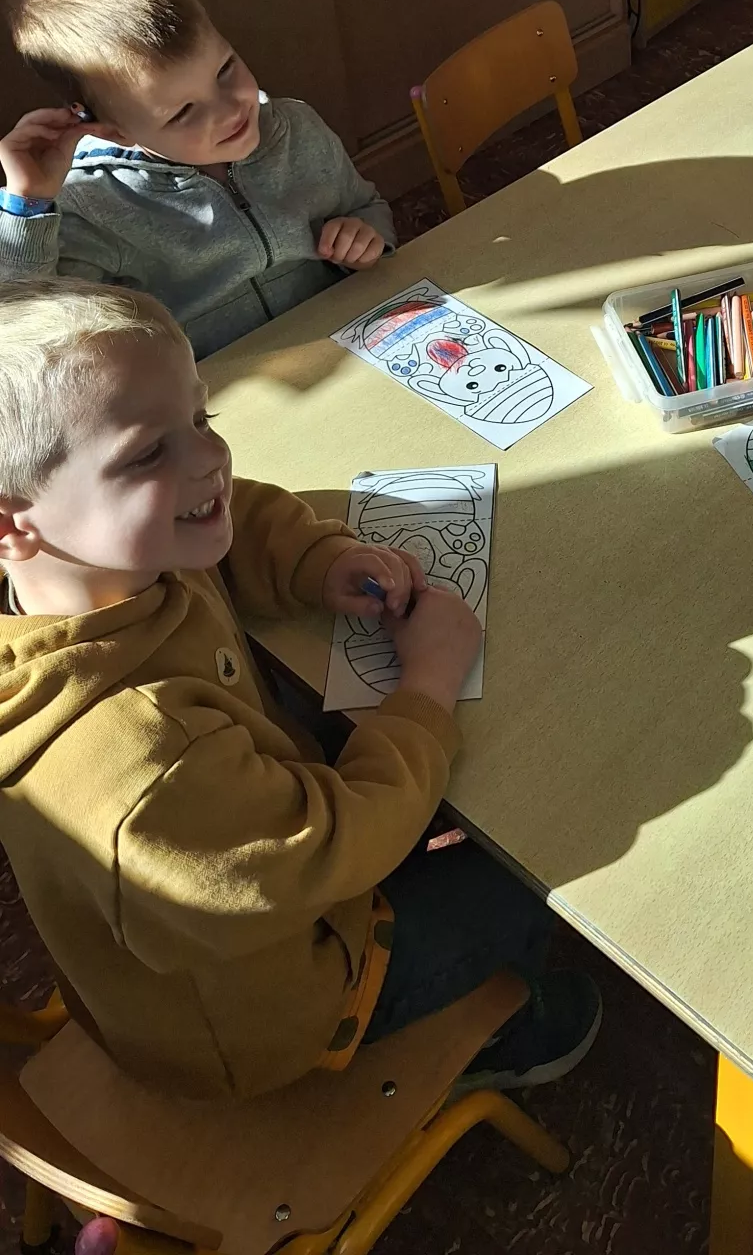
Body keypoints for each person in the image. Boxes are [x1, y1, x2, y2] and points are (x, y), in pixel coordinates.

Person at [0, 278, 601, 1100]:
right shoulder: (139, 768)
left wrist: (319, 561)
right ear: (12, 523)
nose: (210, 459)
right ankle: (501, 1035)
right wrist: (428, 682)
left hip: (266, 857)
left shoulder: (99, 563)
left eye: (202, 419)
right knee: (532, 871)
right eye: (147, 454)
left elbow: (230, 513)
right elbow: (339, 844)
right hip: (282, 1012)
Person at [0, 0, 395, 356]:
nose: (230, 109)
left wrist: (367, 234)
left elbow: (366, 205)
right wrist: (29, 206)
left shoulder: (296, 128)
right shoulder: (90, 201)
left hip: (346, 339)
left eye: (225, 69)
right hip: (217, 381)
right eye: (183, 112)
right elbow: (30, 335)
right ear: (113, 132)